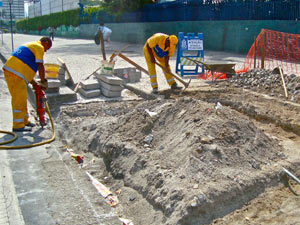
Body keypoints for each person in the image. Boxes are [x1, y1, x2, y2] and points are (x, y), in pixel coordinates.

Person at [2, 37, 52, 132]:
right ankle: (18, 125)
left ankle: (24, 121)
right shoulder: (39, 47)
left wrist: (33, 82)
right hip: (16, 74)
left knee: (22, 97)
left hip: (14, 72)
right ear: (45, 42)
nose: (45, 51)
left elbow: (25, 66)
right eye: (47, 48)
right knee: (19, 99)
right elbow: (40, 65)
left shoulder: (32, 45)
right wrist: (43, 80)